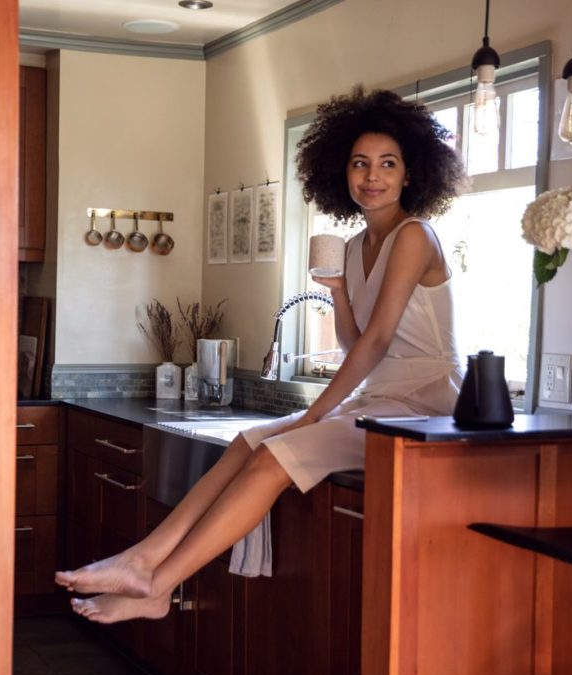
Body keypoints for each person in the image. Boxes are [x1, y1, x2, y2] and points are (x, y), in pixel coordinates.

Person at [54, 86, 466, 624]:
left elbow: (379, 341)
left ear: (411, 174)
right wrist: (338, 289)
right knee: (246, 442)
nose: (372, 176)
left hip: (425, 407)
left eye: (388, 164)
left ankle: (159, 584)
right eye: (360, 163)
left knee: (273, 456)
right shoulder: (361, 244)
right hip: (381, 396)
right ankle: (144, 560)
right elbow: (355, 338)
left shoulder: (415, 236)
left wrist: (316, 414)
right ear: (342, 172)